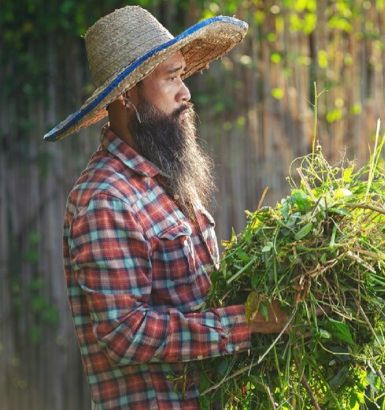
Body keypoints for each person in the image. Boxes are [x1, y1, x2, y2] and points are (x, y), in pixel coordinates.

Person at [44, 6, 285, 410]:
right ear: (126, 94)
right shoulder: (106, 198)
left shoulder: (165, 182)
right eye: (170, 78)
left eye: (183, 76)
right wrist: (247, 321)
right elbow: (125, 333)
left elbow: (198, 299)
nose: (185, 91)